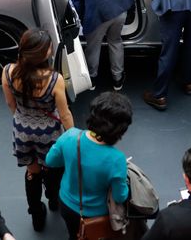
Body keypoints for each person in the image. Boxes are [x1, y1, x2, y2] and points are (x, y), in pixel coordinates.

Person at [0, 30, 73, 230]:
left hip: (22, 130)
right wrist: (73, 136)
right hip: (49, 133)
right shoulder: (54, 79)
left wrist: (24, 118)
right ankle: (52, 198)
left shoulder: (8, 72)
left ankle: (36, 215)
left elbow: (10, 104)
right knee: (52, 169)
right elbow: (64, 114)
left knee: (32, 171)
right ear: (43, 54)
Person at [45, 92, 131, 240]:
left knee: (74, 234)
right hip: (97, 213)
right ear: (119, 130)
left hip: (67, 204)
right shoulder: (117, 159)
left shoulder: (70, 136)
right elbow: (120, 196)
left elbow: (50, 161)